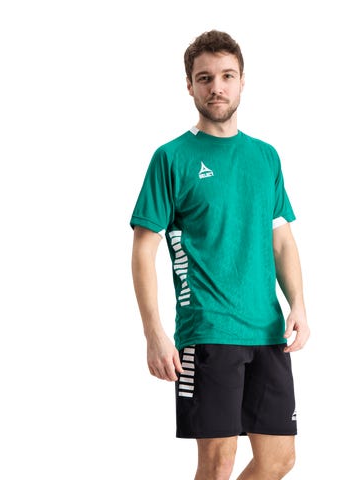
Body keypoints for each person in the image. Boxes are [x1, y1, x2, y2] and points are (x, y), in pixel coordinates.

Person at [130, 30, 310, 480]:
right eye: (205, 77)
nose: (217, 87)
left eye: (227, 76)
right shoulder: (172, 158)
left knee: (279, 458)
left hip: (267, 330)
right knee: (217, 464)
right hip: (208, 330)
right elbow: (143, 250)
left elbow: (281, 239)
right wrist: (154, 333)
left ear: (242, 81)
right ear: (189, 85)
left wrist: (299, 305)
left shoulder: (265, 157)